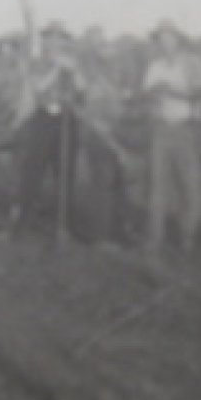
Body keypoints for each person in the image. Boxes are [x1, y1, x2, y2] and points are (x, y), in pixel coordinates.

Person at [8, 22, 85, 241]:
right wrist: (56, 70)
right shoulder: (38, 62)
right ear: (45, 41)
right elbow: (38, 88)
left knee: (65, 172)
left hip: (67, 120)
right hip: (43, 119)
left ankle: (63, 225)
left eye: (59, 38)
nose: (54, 42)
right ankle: (21, 220)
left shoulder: (72, 62)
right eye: (50, 37)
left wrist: (75, 72)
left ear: (64, 41)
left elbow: (82, 90)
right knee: (33, 169)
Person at [141, 20, 201, 258]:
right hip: (161, 129)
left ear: (178, 39)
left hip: (185, 129)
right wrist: (155, 92)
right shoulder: (155, 65)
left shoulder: (192, 62)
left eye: (169, 37)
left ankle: (187, 237)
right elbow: (147, 92)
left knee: (188, 186)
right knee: (157, 186)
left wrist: (172, 91)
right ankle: (154, 239)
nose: (165, 42)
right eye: (160, 38)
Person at [79, 33, 131, 247]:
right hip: (99, 137)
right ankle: (100, 237)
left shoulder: (114, 78)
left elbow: (119, 110)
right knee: (102, 186)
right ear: (99, 55)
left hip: (114, 134)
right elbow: (93, 117)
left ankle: (116, 231)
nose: (111, 55)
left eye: (113, 50)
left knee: (117, 186)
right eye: (106, 50)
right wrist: (116, 147)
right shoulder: (95, 81)